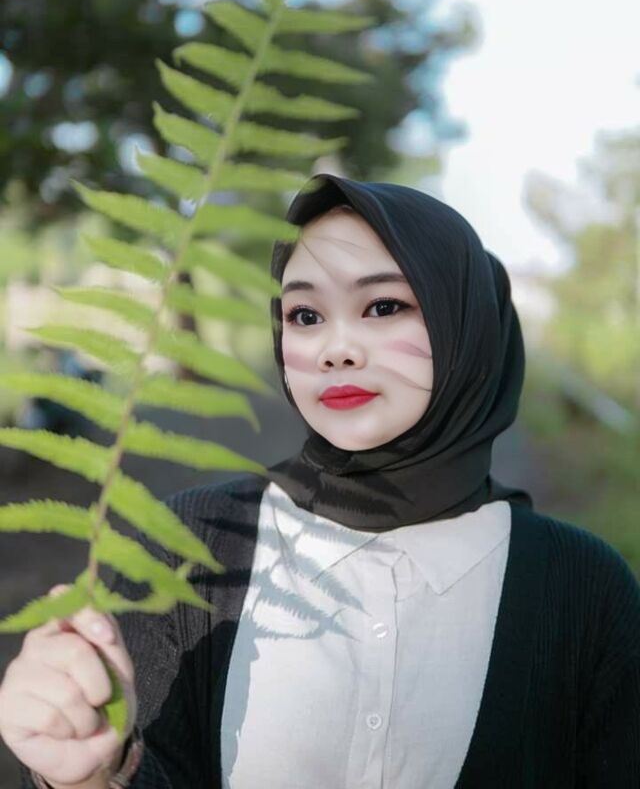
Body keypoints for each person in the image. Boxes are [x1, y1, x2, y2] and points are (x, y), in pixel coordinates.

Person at [1, 172, 639, 788]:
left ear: (467, 325)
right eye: (305, 316)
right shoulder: (187, 547)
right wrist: (90, 775)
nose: (337, 349)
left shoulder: (587, 592)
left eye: (383, 306)